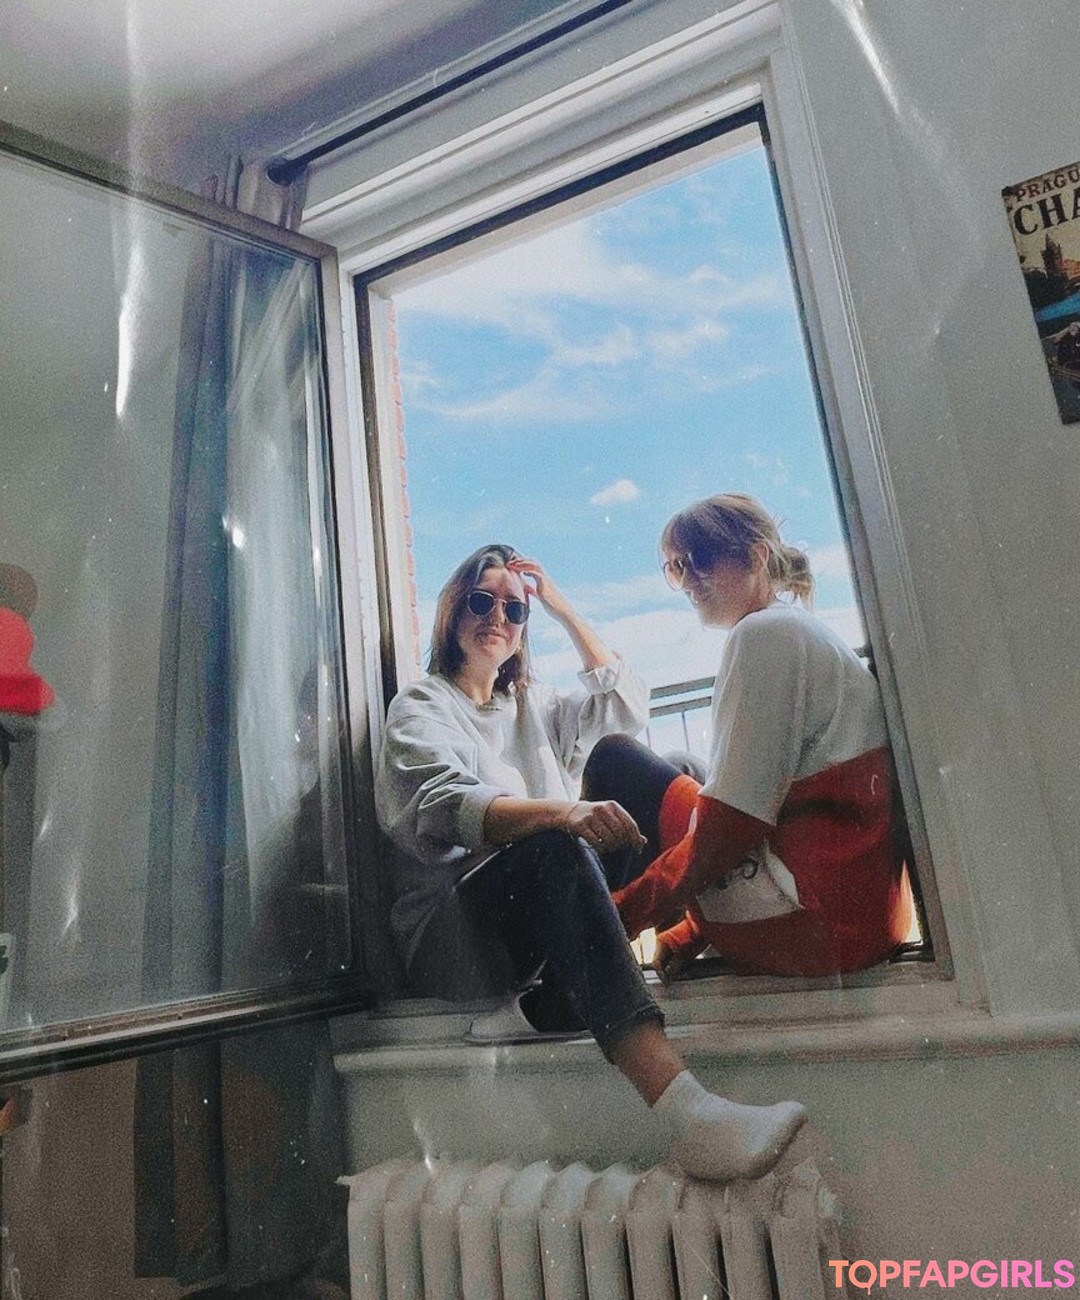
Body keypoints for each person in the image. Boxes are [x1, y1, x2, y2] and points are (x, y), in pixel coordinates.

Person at [375, 542, 806, 1181]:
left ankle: (572, 993)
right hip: (453, 938)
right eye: (481, 601)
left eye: (514, 609)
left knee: (640, 765)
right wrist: (563, 812)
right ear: (452, 612)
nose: (497, 618)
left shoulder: (533, 706)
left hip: (528, 933)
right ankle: (686, 1112)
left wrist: (560, 606)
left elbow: (624, 707)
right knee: (557, 840)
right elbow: (443, 807)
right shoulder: (422, 706)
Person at [585, 493, 913, 981]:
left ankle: (585, 966)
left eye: (700, 558)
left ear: (757, 556)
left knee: (615, 760)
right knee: (683, 766)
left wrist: (614, 918)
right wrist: (690, 932)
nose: (689, 580)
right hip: (860, 920)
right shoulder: (796, 630)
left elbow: (732, 826)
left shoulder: (764, 635)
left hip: (816, 925)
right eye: (677, 567)